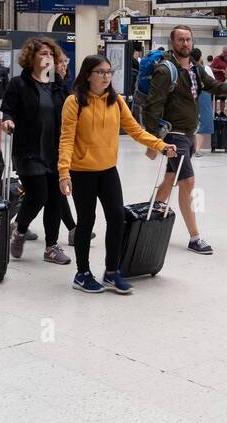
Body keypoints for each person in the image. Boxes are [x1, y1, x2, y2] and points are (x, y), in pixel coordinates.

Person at [57, 55, 174, 294]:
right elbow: (67, 138)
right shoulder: (74, 102)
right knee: (86, 222)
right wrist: (63, 172)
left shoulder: (117, 101)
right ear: (88, 75)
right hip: (82, 172)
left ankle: (111, 272)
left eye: (109, 72)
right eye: (100, 72)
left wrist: (160, 145)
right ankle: (82, 273)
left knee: (116, 218)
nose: (106, 77)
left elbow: (135, 130)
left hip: (108, 170)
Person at [143, 25, 227, 253]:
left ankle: (148, 220)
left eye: (188, 39)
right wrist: (154, 141)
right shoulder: (166, 71)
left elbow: (215, 87)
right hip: (174, 136)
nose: (185, 44)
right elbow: (152, 108)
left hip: (189, 133)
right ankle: (195, 237)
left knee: (170, 178)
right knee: (188, 182)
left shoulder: (195, 69)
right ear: (173, 43)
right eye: (181, 40)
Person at [1, 38, 72, 267]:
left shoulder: (57, 85)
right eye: (42, 54)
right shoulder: (18, 84)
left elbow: (69, 112)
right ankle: (20, 231)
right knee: (38, 195)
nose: (47, 58)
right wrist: (8, 121)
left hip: (55, 150)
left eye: (50, 54)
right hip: (28, 150)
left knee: (55, 198)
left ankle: (51, 246)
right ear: (31, 58)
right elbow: (7, 110)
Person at [192, 48, 213, 153]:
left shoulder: (186, 68)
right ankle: (197, 149)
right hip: (204, 95)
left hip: (190, 96)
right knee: (202, 123)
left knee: (190, 121)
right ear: (200, 57)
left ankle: (188, 147)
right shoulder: (206, 69)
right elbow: (212, 83)